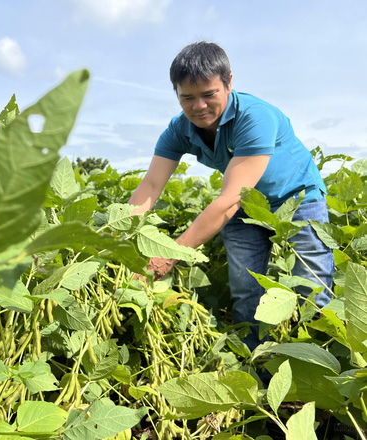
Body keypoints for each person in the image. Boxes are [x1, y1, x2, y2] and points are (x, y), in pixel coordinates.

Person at [129, 41, 334, 348]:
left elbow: (229, 199)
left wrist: (168, 255)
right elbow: (151, 186)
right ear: (177, 95)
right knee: (245, 289)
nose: (198, 106)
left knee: (312, 285)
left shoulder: (255, 116)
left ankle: (319, 362)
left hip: (297, 198)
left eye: (208, 94)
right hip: (245, 207)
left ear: (228, 83)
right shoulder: (178, 130)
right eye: (187, 97)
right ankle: (255, 366)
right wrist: (121, 238)